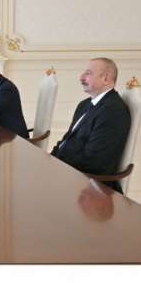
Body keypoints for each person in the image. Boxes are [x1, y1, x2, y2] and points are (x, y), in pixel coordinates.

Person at [51, 58, 131, 193]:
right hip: (65, 171)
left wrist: (57, 168)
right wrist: (50, 159)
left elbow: (94, 162)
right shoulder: (84, 104)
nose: (81, 77)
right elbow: (67, 141)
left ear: (105, 79)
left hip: (89, 187)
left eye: (88, 73)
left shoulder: (113, 111)